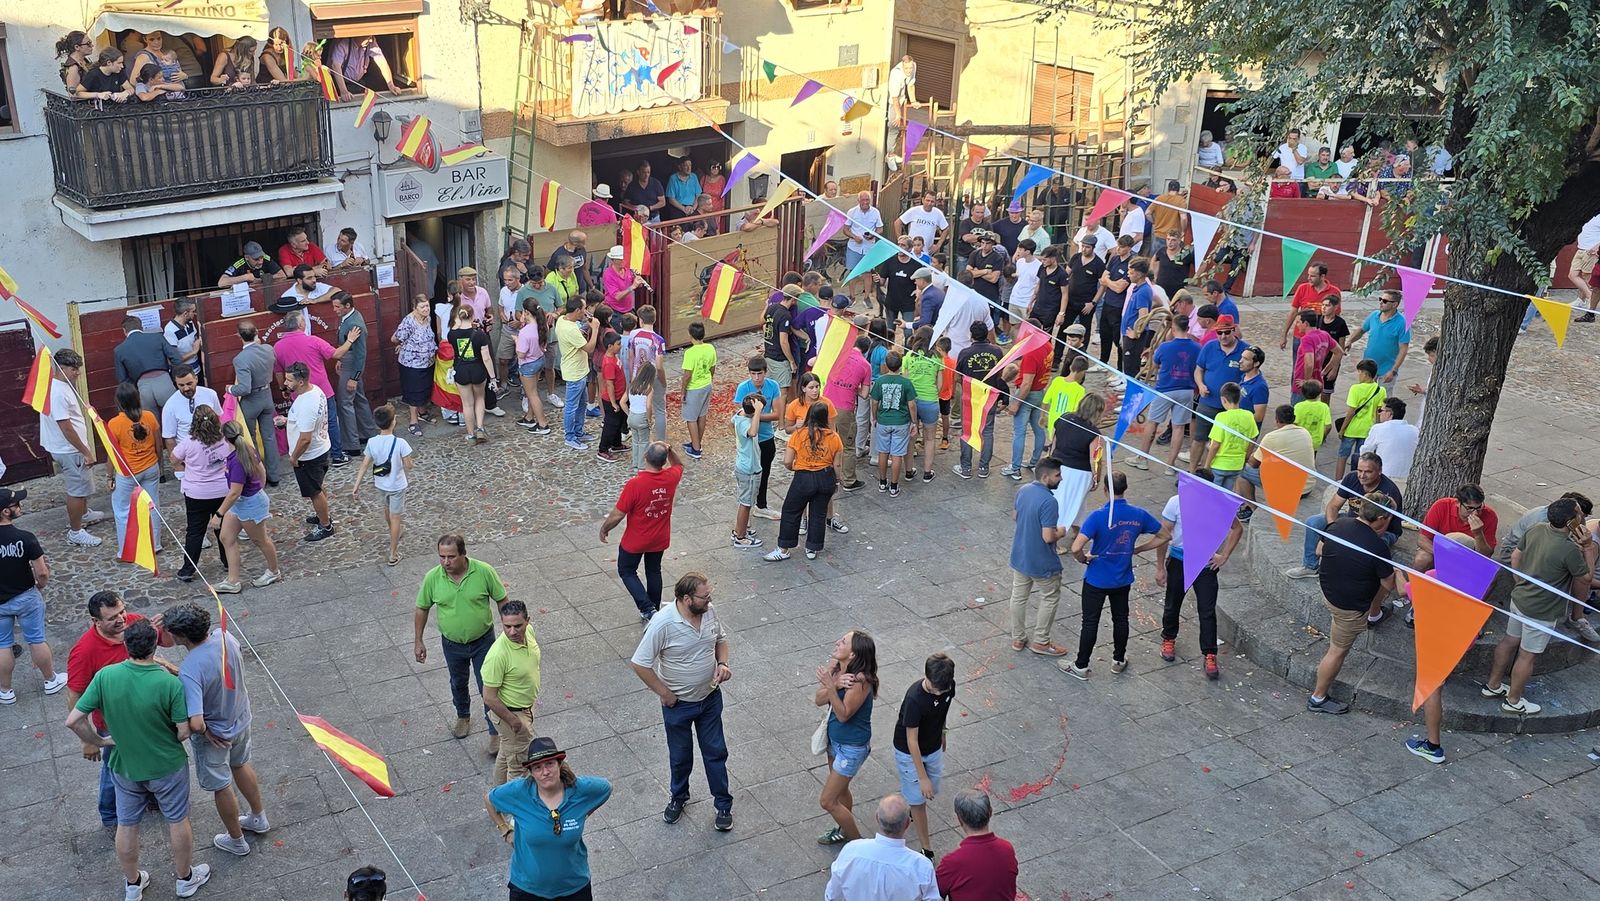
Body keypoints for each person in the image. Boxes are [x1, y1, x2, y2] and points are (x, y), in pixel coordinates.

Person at [65, 619, 211, 900]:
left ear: (126, 646)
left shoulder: (106, 676)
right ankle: (185, 879)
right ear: (155, 647)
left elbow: (73, 720)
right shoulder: (168, 683)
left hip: (125, 765)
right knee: (178, 820)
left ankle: (132, 884)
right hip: (166, 765)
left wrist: (99, 741)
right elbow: (183, 732)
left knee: (127, 823)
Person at [160, 603, 268, 859]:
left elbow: (196, 722)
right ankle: (258, 817)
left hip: (217, 734)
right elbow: (217, 672)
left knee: (221, 785)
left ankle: (236, 840)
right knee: (241, 764)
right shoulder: (225, 637)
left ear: (182, 637)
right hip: (240, 718)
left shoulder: (191, 668)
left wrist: (205, 732)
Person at [629, 572, 734, 830]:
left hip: (709, 698)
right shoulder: (662, 623)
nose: (709, 601)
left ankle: (723, 805)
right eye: (704, 597)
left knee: (716, 753)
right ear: (687, 599)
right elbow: (640, 663)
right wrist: (664, 693)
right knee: (680, 756)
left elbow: (721, 640)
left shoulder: (709, 611)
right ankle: (678, 797)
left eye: (709, 596)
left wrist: (723, 663)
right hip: (678, 705)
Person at [1060, 471, 1171, 680]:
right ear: (1125, 489)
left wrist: (1083, 559)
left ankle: (1081, 665)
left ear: (1104, 490)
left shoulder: (1097, 516)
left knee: (1090, 622)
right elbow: (1165, 535)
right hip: (1122, 578)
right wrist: (1139, 549)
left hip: (1097, 579)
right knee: (1120, 619)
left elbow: (1076, 547)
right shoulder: (1138, 514)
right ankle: (1118, 660)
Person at [1484, 498, 1590, 716]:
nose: (1582, 516)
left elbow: (1516, 555)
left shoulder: (1537, 529)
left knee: (1509, 641)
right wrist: (1588, 548)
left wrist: (1519, 581)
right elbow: (1586, 578)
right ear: (1570, 522)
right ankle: (1513, 700)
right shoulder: (1569, 549)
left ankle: (1493, 685)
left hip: (1520, 598)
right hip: (1542, 610)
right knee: (1527, 655)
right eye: (1579, 513)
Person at [67, 592, 158, 828]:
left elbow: (162, 640)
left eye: (121, 611)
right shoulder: (84, 651)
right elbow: (75, 696)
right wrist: (86, 739)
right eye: (112, 618)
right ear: (95, 621)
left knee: (150, 758)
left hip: (146, 717)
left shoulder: (135, 622)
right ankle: (110, 816)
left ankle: (153, 799)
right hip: (113, 725)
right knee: (113, 770)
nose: (121, 619)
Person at [485, 737, 613, 901]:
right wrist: (505, 831)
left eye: (549, 764)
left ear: (559, 764)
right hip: (528, 889)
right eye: (537, 768)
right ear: (531, 772)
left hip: (573, 888)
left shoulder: (579, 789)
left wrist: (583, 814)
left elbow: (606, 789)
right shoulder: (519, 792)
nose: (545, 772)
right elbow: (489, 800)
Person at [1306, 492, 1398, 715]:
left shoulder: (1338, 525)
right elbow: (1391, 584)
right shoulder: (1378, 547)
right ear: (1382, 518)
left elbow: (1319, 550)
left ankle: (1374, 614)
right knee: (1337, 651)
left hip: (1330, 590)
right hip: (1349, 607)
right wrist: (1397, 570)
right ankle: (1318, 698)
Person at [414, 534, 508, 748]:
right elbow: (422, 608)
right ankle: (463, 715)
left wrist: (510, 632)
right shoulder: (433, 577)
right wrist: (418, 640)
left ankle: (494, 730)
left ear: (463, 554)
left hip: (483, 641)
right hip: (452, 644)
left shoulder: (484, 571)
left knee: (488, 685)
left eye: (451, 557)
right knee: (457, 682)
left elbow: (502, 600)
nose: (446, 562)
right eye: (442, 557)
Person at [1157, 467, 1245, 681]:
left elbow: (1237, 528)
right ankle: (1168, 638)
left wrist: (1223, 556)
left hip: (1205, 565)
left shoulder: (1219, 503)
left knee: (1207, 610)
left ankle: (1210, 654)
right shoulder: (1175, 502)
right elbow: (1163, 535)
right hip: (1179, 560)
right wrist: (1160, 566)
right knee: (1173, 603)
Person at [600, 442, 685, 621]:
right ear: (663, 461)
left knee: (626, 570)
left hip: (636, 540)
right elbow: (678, 465)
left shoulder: (635, 484)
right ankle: (654, 606)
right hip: (659, 537)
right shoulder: (671, 477)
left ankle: (646, 608)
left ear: (645, 456)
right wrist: (670, 450)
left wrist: (605, 528)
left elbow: (618, 514)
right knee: (654, 571)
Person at [1289, 452, 1404, 578]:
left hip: (1381, 530)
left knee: (1375, 544)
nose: (1362, 475)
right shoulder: (1351, 478)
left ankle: (1358, 578)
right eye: (1359, 470)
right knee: (1313, 522)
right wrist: (1332, 529)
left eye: (1368, 472)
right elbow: (1333, 506)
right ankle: (1310, 566)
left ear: (1379, 471)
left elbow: (1380, 529)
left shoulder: (1389, 492)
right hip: (1352, 521)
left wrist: (1347, 534)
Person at [0, 487, 65, 704]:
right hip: (26, 596)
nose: (20, 505)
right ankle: (50, 680)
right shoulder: (25, 538)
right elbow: (42, 571)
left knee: (2, 644)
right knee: (36, 639)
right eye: (16, 504)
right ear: (5, 512)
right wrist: (40, 584)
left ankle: (5, 691)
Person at [815, 630, 880, 846]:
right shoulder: (837, 668)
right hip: (835, 743)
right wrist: (833, 684)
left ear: (852, 655)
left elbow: (843, 714)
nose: (837, 642)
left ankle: (859, 846)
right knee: (841, 790)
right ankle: (844, 830)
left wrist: (832, 687)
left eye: (843, 642)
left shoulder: (860, 680)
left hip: (851, 748)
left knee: (828, 801)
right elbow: (818, 699)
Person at [39, 349, 109, 547]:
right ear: (61, 368)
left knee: (82, 484)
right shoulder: (59, 392)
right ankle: (76, 531)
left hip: (64, 446)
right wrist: (86, 451)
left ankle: (84, 514)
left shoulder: (59, 385)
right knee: (77, 489)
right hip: (69, 449)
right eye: (73, 369)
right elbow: (66, 427)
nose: (77, 372)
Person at [273, 309, 356, 465]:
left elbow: (278, 372)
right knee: (330, 421)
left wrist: (284, 389)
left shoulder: (277, 347)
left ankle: (308, 455)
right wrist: (350, 340)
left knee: (303, 424)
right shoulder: (313, 341)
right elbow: (337, 354)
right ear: (301, 324)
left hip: (298, 391)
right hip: (322, 390)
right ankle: (337, 455)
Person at [764, 402, 844, 562]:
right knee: (819, 513)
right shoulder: (834, 437)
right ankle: (812, 547)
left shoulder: (799, 434)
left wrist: (796, 468)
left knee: (791, 510)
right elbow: (838, 464)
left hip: (804, 477)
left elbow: (787, 461)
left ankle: (784, 548)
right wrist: (837, 480)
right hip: (825, 477)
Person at [893, 654, 956, 858]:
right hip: (909, 752)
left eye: (943, 690)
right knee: (920, 799)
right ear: (926, 676)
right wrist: (922, 778)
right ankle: (926, 849)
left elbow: (944, 710)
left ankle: (913, 802)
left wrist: (943, 732)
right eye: (936, 688)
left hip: (933, 746)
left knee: (930, 789)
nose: (940, 693)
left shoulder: (948, 686)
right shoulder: (915, 699)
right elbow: (912, 740)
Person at [825, 794, 939, 900]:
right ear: (907, 823)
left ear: (877, 818)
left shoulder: (850, 852)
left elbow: (832, 896)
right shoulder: (921, 866)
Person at [1010, 458, 1069, 656]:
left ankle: (1018, 638)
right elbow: (1048, 536)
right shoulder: (1049, 502)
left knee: (1019, 596)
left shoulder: (1023, 490)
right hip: (1042, 561)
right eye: (1057, 475)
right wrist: (1060, 532)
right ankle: (1041, 641)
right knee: (1050, 596)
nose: (1060, 478)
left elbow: (1015, 516)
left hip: (1020, 555)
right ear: (1045, 477)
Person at [214, 421, 281, 592]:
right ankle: (232, 581)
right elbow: (262, 471)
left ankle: (274, 571)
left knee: (260, 540)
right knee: (226, 537)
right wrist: (260, 488)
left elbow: (235, 492)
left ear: (225, 438)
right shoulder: (247, 449)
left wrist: (219, 514)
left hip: (249, 504)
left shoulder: (237, 461)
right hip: (243, 502)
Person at [479, 600, 541, 786]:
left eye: (517, 626)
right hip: (512, 715)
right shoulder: (498, 655)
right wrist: (514, 721)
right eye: (507, 626)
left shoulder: (529, 633)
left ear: (527, 621)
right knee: (519, 767)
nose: (512, 632)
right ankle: (513, 812)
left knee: (507, 754)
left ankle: (497, 797)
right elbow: (489, 697)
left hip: (525, 708)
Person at [169, 406, 230, 583]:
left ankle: (188, 569)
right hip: (222, 491)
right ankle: (227, 560)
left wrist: (187, 468)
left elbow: (174, 459)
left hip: (197, 493)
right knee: (223, 528)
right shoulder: (223, 438)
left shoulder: (188, 442)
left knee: (195, 531)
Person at [277, 362, 336, 542]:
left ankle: (326, 526)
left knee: (314, 491)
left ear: (300, 382)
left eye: (289, 380)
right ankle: (322, 515)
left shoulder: (305, 404)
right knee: (318, 485)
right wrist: (289, 421)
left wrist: (294, 456)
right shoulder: (316, 390)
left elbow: (305, 438)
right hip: (321, 447)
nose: (286, 383)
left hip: (309, 455)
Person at [350, 405, 414, 567]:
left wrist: (356, 484)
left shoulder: (372, 442)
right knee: (396, 517)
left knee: (387, 511)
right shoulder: (400, 443)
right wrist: (407, 461)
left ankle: (393, 530)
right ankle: (393, 553)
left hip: (381, 484)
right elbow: (409, 466)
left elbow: (364, 465)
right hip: (397, 485)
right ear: (393, 422)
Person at [106, 383, 164, 556]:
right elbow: (158, 444)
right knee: (152, 505)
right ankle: (155, 544)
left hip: (128, 472)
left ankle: (126, 549)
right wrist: (159, 465)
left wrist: (109, 476)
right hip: (151, 466)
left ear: (118, 402)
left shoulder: (115, 423)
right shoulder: (149, 416)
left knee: (122, 509)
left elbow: (112, 454)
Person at [224, 322, 284, 484]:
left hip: (251, 402)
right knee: (269, 437)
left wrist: (230, 389)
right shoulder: (268, 349)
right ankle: (274, 475)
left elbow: (244, 388)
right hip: (266, 396)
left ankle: (258, 476)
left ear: (239, 336)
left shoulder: (240, 359)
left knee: (250, 439)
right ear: (256, 332)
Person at [935, 790, 1018, 899]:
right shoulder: (1007, 849)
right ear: (990, 812)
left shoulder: (951, 863)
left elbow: (934, 894)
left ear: (960, 820)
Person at [1048, 391, 1105, 542]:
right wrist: (1096, 478)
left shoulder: (1064, 418)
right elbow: (1096, 460)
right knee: (1067, 504)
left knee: (1072, 502)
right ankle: (1054, 538)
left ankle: (1077, 529)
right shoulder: (1093, 433)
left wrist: (1049, 462)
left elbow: (1053, 442)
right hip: (1078, 473)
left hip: (1058, 466)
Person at [951, 322, 1006, 480]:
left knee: (967, 430)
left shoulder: (965, 353)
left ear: (971, 335)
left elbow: (957, 377)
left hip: (970, 396)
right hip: (989, 395)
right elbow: (1000, 374)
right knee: (987, 431)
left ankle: (966, 467)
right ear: (987, 334)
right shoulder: (996, 351)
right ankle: (983, 467)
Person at [734, 357, 784, 519]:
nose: (756, 378)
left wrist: (756, 415)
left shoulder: (773, 386)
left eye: (759, 374)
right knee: (747, 474)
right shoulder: (743, 388)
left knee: (764, 472)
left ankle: (761, 505)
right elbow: (739, 417)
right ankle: (746, 503)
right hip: (749, 440)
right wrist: (757, 414)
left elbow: (777, 413)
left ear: (765, 372)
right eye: (753, 374)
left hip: (766, 437)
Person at [330, 291, 379, 456]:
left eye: (337, 306)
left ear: (347, 306)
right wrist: (341, 358)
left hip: (352, 366)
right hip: (349, 361)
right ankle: (368, 433)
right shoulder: (351, 317)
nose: (334, 309)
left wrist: (354, 377)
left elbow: (360, 354)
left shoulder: (354, 324)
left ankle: (352, 444)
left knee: (345, 403)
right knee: (358, 399)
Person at [1416, 484, 1499, 572]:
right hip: (1439, 551)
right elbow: (1422, 540)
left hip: (1469, 559)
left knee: (1491, 576)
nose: (1475, 513)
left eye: (1479, 508)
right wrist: (1444, 555)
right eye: (1469, 508)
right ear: (1458, 503)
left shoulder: (1490, 516)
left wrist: (1478, 534)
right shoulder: (1441, 506)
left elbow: (1486, 555)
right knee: (1422, 559)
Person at [554, 296, 601, 450]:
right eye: (583, 309)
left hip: (579, 371)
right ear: (576, 310)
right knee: (571, 407)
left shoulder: (562, 320)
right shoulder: (570, 329)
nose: (585, 312)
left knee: (581, 404)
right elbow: (589, 349)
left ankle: (579, 432)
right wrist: (594, 329)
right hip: (575, 372)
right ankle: (570, 436)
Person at [447, 305, 497, 445]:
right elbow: (486, 358)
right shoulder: (480, 334)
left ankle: (470, 435)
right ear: (472, 316)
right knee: (480, 399)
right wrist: (492, 377)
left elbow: (455, 328)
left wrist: (458, 321)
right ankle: (480, 428)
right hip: (478, 369)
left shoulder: (452, 335)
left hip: (461, 371)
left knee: (467, 404)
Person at [871, 351, 917, 496]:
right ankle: (894, 485)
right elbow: (912, 405)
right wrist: (914, 421)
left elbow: (874, 402)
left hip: (884, 420)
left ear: (887, 364)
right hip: (901, 422)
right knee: (897, 454)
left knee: (883, 452)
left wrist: (874, 417)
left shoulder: (880, 381)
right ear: (900, 365)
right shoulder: (906, 382)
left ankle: (882, 482)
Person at [1346, 289, 1412, 392]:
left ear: (1395, 304)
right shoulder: (1374, 315)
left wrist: (1393, 370)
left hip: (1387, 369)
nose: (1381, 302)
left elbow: (1403, 348)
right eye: (1380, 299)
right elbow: (1361, 330)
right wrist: (1350, 340)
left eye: (1385, 301)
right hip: (1368, 367)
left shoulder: (1402, 323)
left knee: (1383, 401)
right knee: (1363, 396)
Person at [115, 316, 182, 415]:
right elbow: (177, 358)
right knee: (176, 416)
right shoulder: (157, 337)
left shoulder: (119, 350)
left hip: (143, 388)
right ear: (142, 328)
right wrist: (172, 377)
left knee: (152, 423)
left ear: (124, 331)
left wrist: (137, 387)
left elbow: (122, 380)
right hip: (164, 381)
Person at [392, 295, 438, 437]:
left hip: (427, 362)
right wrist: (401, 344)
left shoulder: (428, 318)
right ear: (415, 309)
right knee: (414, 391)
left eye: (427, 306)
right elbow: (395, 338)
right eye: (422, 307)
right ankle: (413, 422)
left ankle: (422, 412)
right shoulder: (409, 322)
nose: (426, 309)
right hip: (412, 363)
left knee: (425, 388)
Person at [1333, 359, 1387, 479]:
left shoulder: (1355, 389)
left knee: (1342, 456)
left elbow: (1351, 412)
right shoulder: (1381, 390)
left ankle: (1337, 482)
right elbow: (1379, 413)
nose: (1359, 375)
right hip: (1367, 430)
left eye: (1360, 372)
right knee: (1360, 459)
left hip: (1352, 429)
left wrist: (1342, 429)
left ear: (1366, 374)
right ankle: (1357, 481)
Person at [1200, 382, 1258, 490]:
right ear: (1239, 398)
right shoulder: (1249, 415)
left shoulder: (1221, 417)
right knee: (1226, 494)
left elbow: (1215, 444)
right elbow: (1252, 440)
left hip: (1219, 464)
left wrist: (1207, 465)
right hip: (1237, 464)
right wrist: (1245, 457)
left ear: (1223, 399)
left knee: (1213, 493)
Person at [1361, 397, 1420, 481]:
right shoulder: (1415, 430)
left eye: (1380, 410)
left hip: (1385, 477)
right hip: (1409, 476)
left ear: (1389, 414)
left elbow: (1365, 453)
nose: (1379, 414)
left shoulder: (1378, 428)